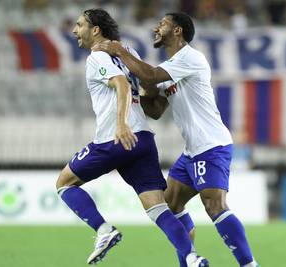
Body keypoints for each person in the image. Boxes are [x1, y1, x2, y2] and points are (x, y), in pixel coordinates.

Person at [93, 12, 260, 267]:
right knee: (170, 204)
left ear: (178, 30)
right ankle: (190, 261)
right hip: (193, 150)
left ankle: (249, 265)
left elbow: (150, 75)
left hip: (211, 145)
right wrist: (142, 93)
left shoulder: (190, 58)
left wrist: (118, 51)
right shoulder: (170, 68)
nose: (156, 28)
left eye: (162, 24)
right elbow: (156, 111)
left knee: (214, 205)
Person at [55, 9, 209, 267]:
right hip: (144, 141)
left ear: (95, 30)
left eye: (80, 25)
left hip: (115, 139)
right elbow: (148, 86)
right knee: (158, 208)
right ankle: (192, 258)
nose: (74, 30)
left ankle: (104, 231)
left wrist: (121, 124)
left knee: (64, 183)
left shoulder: (97, 57)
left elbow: (122, 85)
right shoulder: (129, 52)